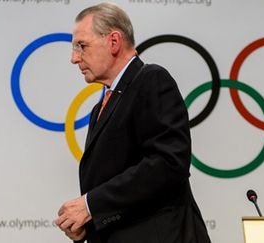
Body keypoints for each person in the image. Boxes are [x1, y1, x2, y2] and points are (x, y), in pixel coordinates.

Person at [55, 3, 211, 243]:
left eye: (81, 46)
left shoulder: (151, 80)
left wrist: (90, 205)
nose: (74, 58)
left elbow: (168, 163)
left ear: (114, 41)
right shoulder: (101, 106)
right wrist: (88, 224)